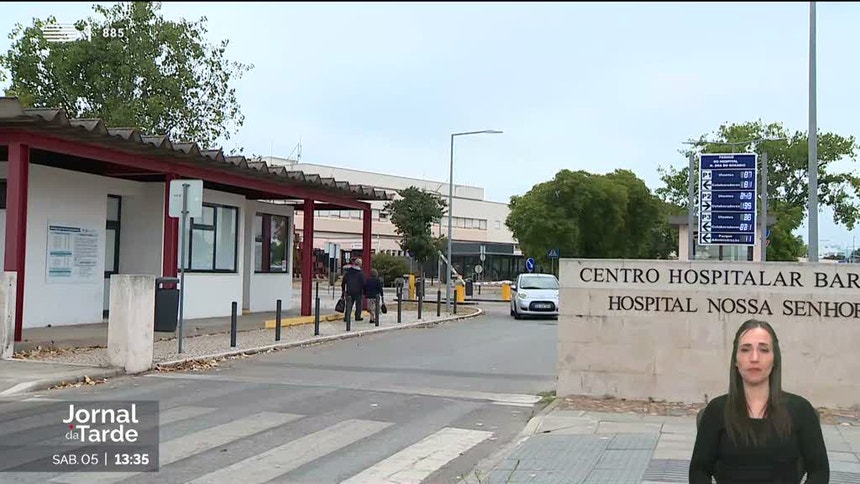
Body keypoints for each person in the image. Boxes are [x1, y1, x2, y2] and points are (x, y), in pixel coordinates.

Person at [689, 319, 829, 483]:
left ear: (775, 359)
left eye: (763, 350)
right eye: (745, 349)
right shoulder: (717, 410)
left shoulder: (801, 410)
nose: (754, 358)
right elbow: (699, 471)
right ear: (735, 360)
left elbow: (819, 471)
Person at [341, 257, 365, 322]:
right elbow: (363, 283)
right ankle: (357, 316)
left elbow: (343, 282)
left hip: (349, 290)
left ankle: (347, 317)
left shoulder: (348, 272)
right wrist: (364, 291)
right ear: (360, 265)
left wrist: (343, 290)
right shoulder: (360, 273)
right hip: (358, 291)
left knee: (349, 304)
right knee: (358, 304)